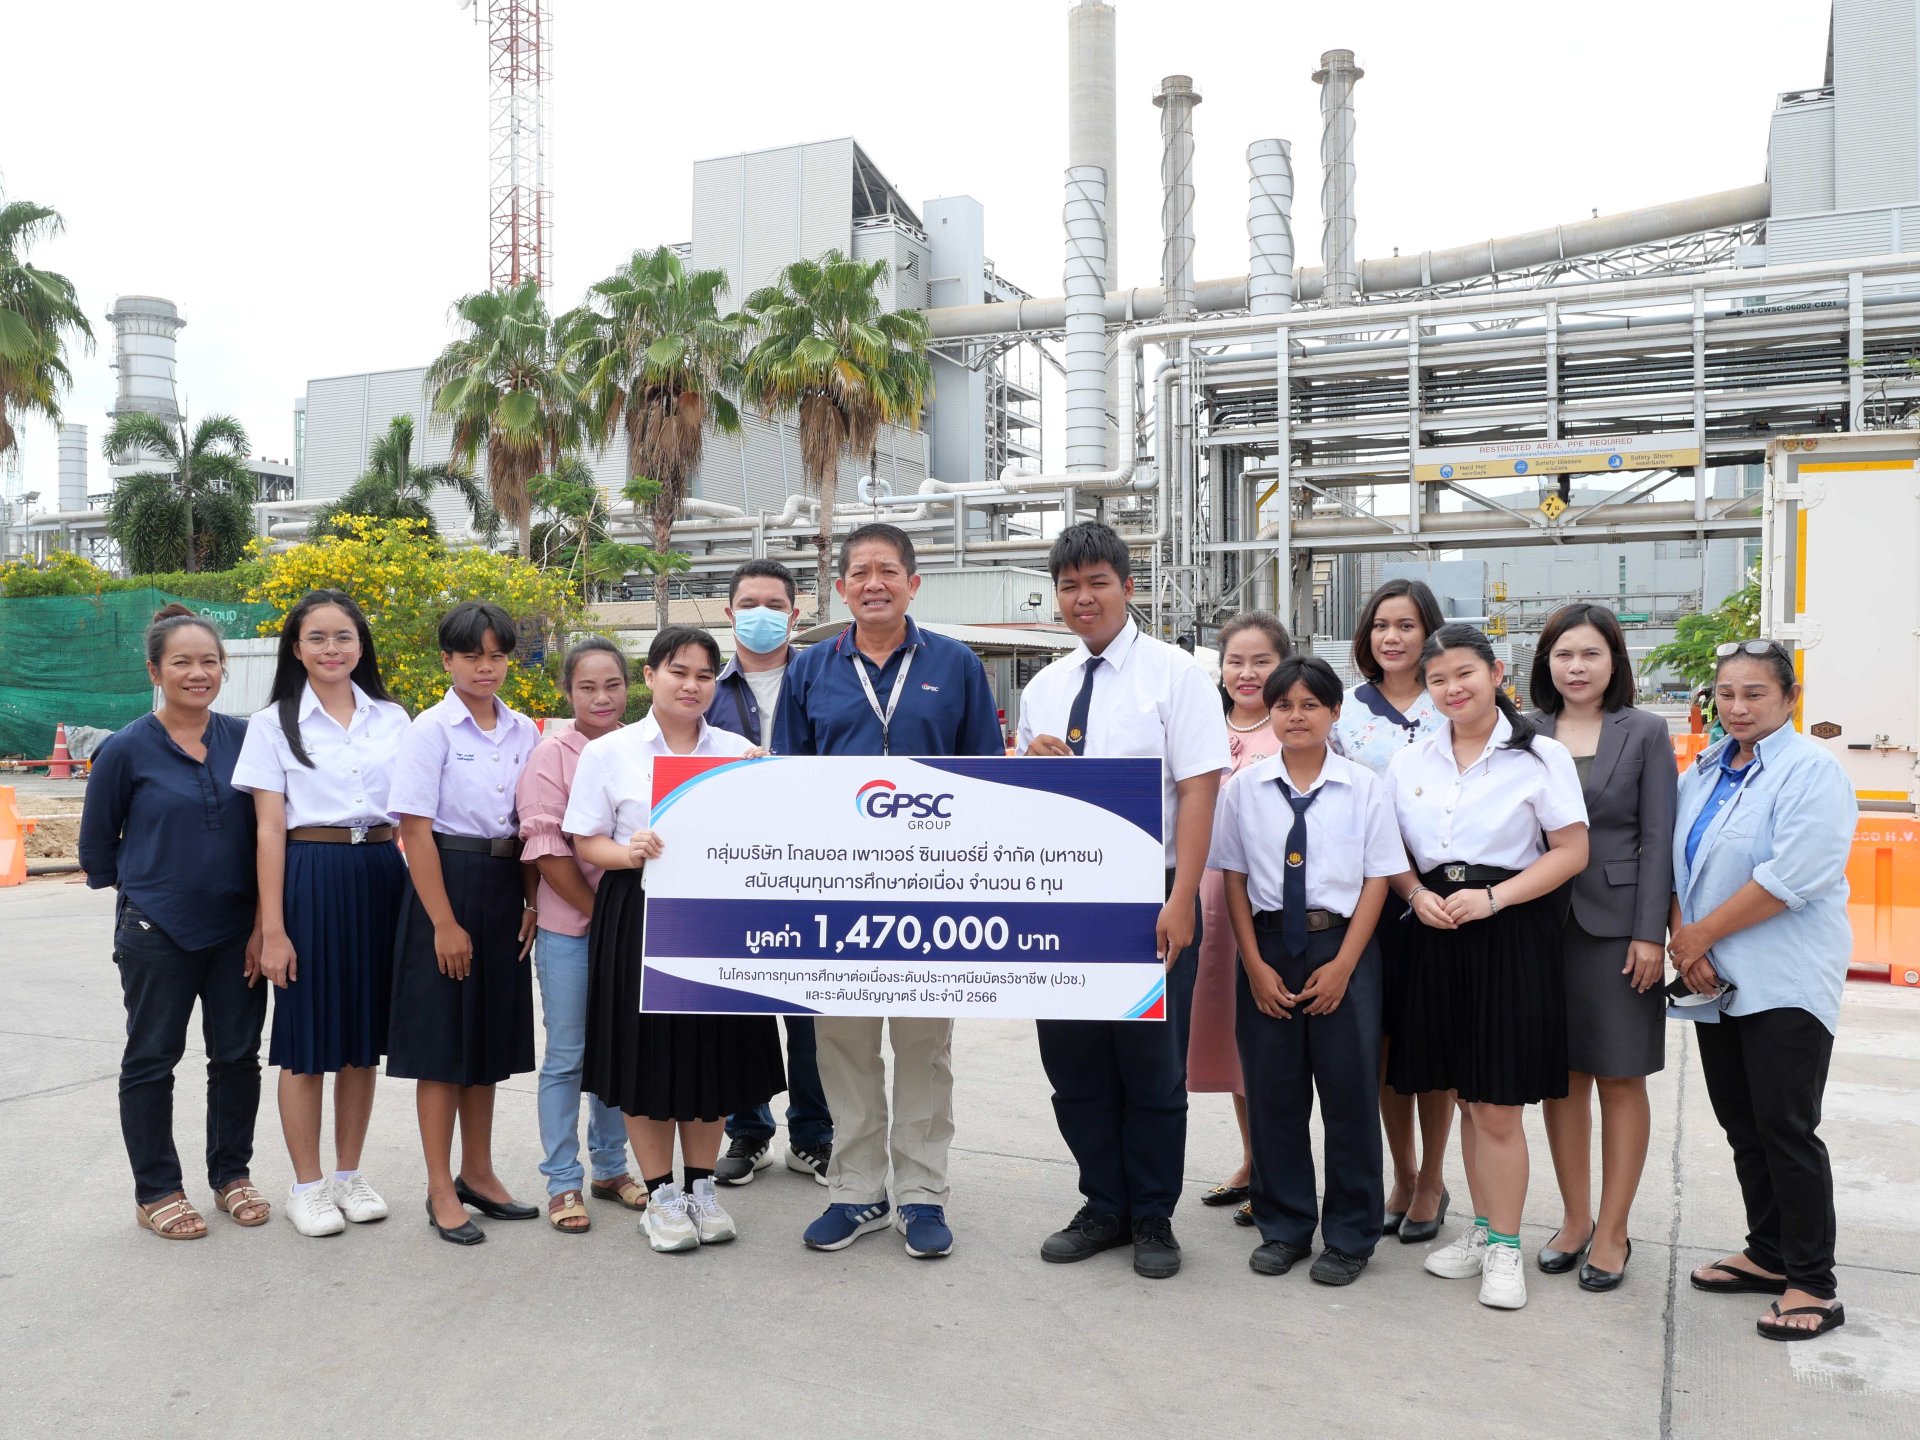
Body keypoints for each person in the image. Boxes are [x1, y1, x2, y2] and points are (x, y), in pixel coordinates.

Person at [772, 523, 1003, 1260]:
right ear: (841, 587)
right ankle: (856, 1190)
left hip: (932, 893)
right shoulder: (810, 669)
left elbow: (987, 780)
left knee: (923, 1045)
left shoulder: (956, 664)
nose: (875, 583)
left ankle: (923, 1193)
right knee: (842, 1044)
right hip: (835, 890)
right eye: (861, 572)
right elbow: (784, 781)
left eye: (889, 571)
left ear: (913, 583)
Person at [1017, 521, 1230, 1279]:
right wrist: (1029, 761)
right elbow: (1030, 805)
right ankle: (1103, 1204)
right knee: (1074, 1066)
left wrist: (1183, 899)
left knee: (1151, 1068)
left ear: (1127, 587)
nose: (1083, 598)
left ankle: (1152, 1215)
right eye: (1069, 586)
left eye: (1097, 583)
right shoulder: (1045, 687)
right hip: (1064, 902)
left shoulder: (1176, 676)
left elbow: (1199, 790)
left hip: (1151, 898)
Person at [1385, 623, 1589, 1311]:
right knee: (1465, 1098)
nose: (1453, 688)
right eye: (1438, 679)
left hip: (1508, 928)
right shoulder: (1410, 760)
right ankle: (1482, 1228)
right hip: (1435, 930)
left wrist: (1494, 899)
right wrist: (1415, 895)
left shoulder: (1540, 756)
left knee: (1498, 1104)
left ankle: (1506, 1248)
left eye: (1465, 673)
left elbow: (1571, 852)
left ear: (1496, 673)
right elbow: (1391, 852)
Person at [566, 626, 787, 1253]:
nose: (692, 686)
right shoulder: (609, 752)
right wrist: (628, 852)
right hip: (637, 910)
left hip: (716, 915)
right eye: (678, 672)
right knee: (646, 1055)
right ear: (650, 676)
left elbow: (767, 833)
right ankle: (661, 1197)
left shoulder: (738, 751)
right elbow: (585, 840)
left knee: (710, 1053)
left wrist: (765, 781)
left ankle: (702, 1189)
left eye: (704, 675)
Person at [1673, 639, 1856, 1341]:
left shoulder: (1812, 771)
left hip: (1785, 978)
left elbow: (1792, 877)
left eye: (1755, 693)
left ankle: (1813, 1282)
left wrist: (1697, 937)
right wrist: (1687, 939)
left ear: (1789, 697)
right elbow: (1679, 866)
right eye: (1727, 694)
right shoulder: (1706, 770)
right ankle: (1769, 1251)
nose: (1738, 707)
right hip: (1714, 977)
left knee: (1786, 1127)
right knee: (1743, 1125)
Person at [1213, 655, 1408, 1285]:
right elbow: (1234, 879)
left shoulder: (1364, 787)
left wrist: (1346, 964)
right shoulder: (1243, 789)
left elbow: (1379, 877)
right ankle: (1285, 1225)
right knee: (1274, 1095)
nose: (1296, 717)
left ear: (1334, 712)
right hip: (1268, 948)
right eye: (1283, 706)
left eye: (1310, 705)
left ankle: (1350, 1236)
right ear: (1268, 713)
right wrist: (1253, 964)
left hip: (1342, 948)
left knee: (1350, 1097)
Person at [78, 604, 269, 1239]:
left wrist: (262, 923)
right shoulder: (126, 749)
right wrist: (152, 895)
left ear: (223, 668)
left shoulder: (246, 739)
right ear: (155, 671)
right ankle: (157, 1189)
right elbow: (97, 851)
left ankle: (231, 1175)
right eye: (182, 662)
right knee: (152, 1059)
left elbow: (270, 833)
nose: (197, 673)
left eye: (209, 661)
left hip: (237, 933)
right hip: (156, 933)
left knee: (237, 1057)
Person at [231, 589, 411, 1237]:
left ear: (361, 645)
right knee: (306, 1041)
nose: (332, 649)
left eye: (343, 637)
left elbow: (413, 815)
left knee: (362, 1041)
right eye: (317, 637)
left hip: (382, 873)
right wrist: (272, 928)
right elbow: (268, 830)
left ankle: (347, 1175)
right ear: (296, 648)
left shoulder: (393, 718)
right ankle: (305, 1186)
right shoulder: (270, 724)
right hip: (311, 873)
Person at [1529, 604, 1676, 1291]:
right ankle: (1575, 1219)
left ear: (1615, 660)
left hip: (1617, 929)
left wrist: (1651, 933)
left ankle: (1614, 1230)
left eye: (1591, 653)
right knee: (1561, 1080)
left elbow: (1657, 837)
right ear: (1546, 663)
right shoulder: (1524, 731)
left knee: (1619, 1076)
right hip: (1538, 925)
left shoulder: (1644, 731)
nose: (1577, 667)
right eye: (1564, 655)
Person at [385, 601, 542, 1246]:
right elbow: (415, 831)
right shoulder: (431, 730)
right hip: (445, 883)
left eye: (498, 655)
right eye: (472, 655)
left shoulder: (524, 731)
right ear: (447, 660)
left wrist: (531, 902)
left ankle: (478, 1172)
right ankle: (439, 1187)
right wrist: (443, 923)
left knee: (487, 1042)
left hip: (505, 886)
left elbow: (531, 824)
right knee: (444, 1047)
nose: (486, 667)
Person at [1332, 577, 1453, 1244]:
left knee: (1432, 1042)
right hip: (1367, 897)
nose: (1392, 637)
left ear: (1429, 631)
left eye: (1406, 625)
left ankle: (1433, 1178)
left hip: (1443, 895)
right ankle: (1402, 1174)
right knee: (1378, 1046)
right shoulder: (1345, 711)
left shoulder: (1452, 699)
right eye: (1381, 625)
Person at [707, 558, 833, 1189]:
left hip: (817, 866)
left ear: (795, 612)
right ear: (730, 613)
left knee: (811, 1014)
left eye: (774, 605)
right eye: (749, 604)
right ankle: (748, 1131)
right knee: (739, 1008)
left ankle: (813, 1136)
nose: (762, 615)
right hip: (734, 871)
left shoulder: (826, 679)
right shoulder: (705, 689)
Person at [515, 637, 643, 1234]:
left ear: (629, 687)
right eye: (587, 687)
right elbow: (548, 854)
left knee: (617, 1049)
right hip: (572, 928)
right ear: (567, 692)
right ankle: (562, 1179)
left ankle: (611, 1168)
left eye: (612, 685)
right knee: (568, 1056)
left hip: (630, 927)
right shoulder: (551, 756)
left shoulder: (639, 748)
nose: (601, 697)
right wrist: (601, 917)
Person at [1190, 611, 1291, 1214]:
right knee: (1233, 1046)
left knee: (1269, 1044)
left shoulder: (1294, 727)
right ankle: (1253, 1161)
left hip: (1267, 903)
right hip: (1207, 904)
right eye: (1236, 661)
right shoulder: (1201, 727)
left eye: (1262, 661)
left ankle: (1278, 1172)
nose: (1247, 673)